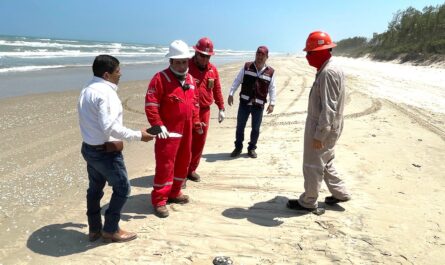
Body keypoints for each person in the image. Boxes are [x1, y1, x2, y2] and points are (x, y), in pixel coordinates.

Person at [78, 54, 153, 243]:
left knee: (95, 189)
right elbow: (110, 127)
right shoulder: (105, 93)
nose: (121, 74)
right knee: (123, 189)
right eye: (118, 71)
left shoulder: (87, 88)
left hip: (89, 148)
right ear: (106, 74)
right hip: (105, 152)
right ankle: (111, 229)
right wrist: (138, 135)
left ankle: (94, 229)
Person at [287, 31, 351, 215]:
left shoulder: (328, 72)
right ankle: (340, 193)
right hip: (332, 124)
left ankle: (308, 201)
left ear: (321, 51)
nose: (307, 57)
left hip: (323, 125)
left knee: (313, 164)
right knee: (327, 160)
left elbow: (329, 107)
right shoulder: (330, 68)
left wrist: (319, 134)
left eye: (309, 53)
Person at [144, 40, 200, 218]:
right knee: (165, 164)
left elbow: (195, 103)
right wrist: (158, 125)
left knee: (184, 161)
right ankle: (160, 200)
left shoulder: (191, 80)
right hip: (168, 132)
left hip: (187, 128)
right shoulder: (160, 79)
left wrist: (197, 121)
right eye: (178, 62)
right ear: (170, 62)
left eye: (185, 61)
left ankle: (175, 192)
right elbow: (151, 104)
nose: (182, 65)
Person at [185, 37, 225, 183]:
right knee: (186, 143)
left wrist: (221, 107)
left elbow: (217, 89)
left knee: (199, 143)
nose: (204, 59)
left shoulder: (213, 70)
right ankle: (181, 173)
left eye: (207, 56)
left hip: (204, 111)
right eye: (201, 55)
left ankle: (191, 170)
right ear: (195, 53)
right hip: (188, 111)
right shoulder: (186, 66)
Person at [227, 46, 276, 158]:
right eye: (258, 54)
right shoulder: (247, 67)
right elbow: (237, 80)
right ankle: (238, 147)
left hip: (258, 105)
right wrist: (231, 93)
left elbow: (272, 88)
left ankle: (252, 148)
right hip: (244, 103)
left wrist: (272, 103)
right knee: (240, 126)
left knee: (255, 129)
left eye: (262, 55)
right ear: (255, 54)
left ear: (266, 57)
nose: (259, 57)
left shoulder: (270, 72)